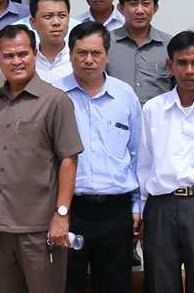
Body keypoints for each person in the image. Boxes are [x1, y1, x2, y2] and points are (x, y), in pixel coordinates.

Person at [0, 25, 83, 293]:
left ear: (35, 53)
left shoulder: (55, 101)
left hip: (39, 228)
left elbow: (69, 159)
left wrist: (61, 214)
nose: (16, 61)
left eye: (23, 53)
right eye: (8, 55)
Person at [51, 22, 141, 293]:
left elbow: (137, 154)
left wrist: (137, 206)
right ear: (69, 54)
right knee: (67, 285)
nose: (88, 60)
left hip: (116, 211)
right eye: (81, 53)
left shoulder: (124, 96)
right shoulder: (54, 95)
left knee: (115, 285)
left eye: (96, 53)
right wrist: (57, 212)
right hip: (70, 210)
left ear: (107, 55)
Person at [138, 30, 194, 293]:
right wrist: (144, 213)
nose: (189, 70)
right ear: (171, 65)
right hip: (160, 208)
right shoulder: (154, 109)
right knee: (161, 284)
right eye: (182, 63)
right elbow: (144, 166)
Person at [106, 0, 172, 104]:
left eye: (146, 4)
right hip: (115, 119)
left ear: (155, 8)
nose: (140, 10)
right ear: (120, 8)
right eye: (133, 4)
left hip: (157, 121)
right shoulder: (106, 43)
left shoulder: (169, 45)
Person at [30, 0, 73, 84]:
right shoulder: (26, 62)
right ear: (33, 23)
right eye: (48, 17)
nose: (56, 22)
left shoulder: (79, 59)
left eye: (62, 16)